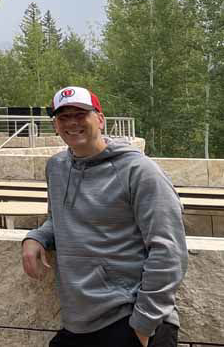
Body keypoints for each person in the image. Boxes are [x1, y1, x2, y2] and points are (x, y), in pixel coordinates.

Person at [22, 86, 188, 347]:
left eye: (80, 114)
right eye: (63, 117)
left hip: (132, 318)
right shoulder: (56, 168)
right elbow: (59, 219)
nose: (72, 123)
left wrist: (144, 324)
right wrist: (37, 237)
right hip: (80, 322)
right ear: (55, 125)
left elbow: (169, 250)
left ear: (100, 119)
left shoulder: (140, 171)